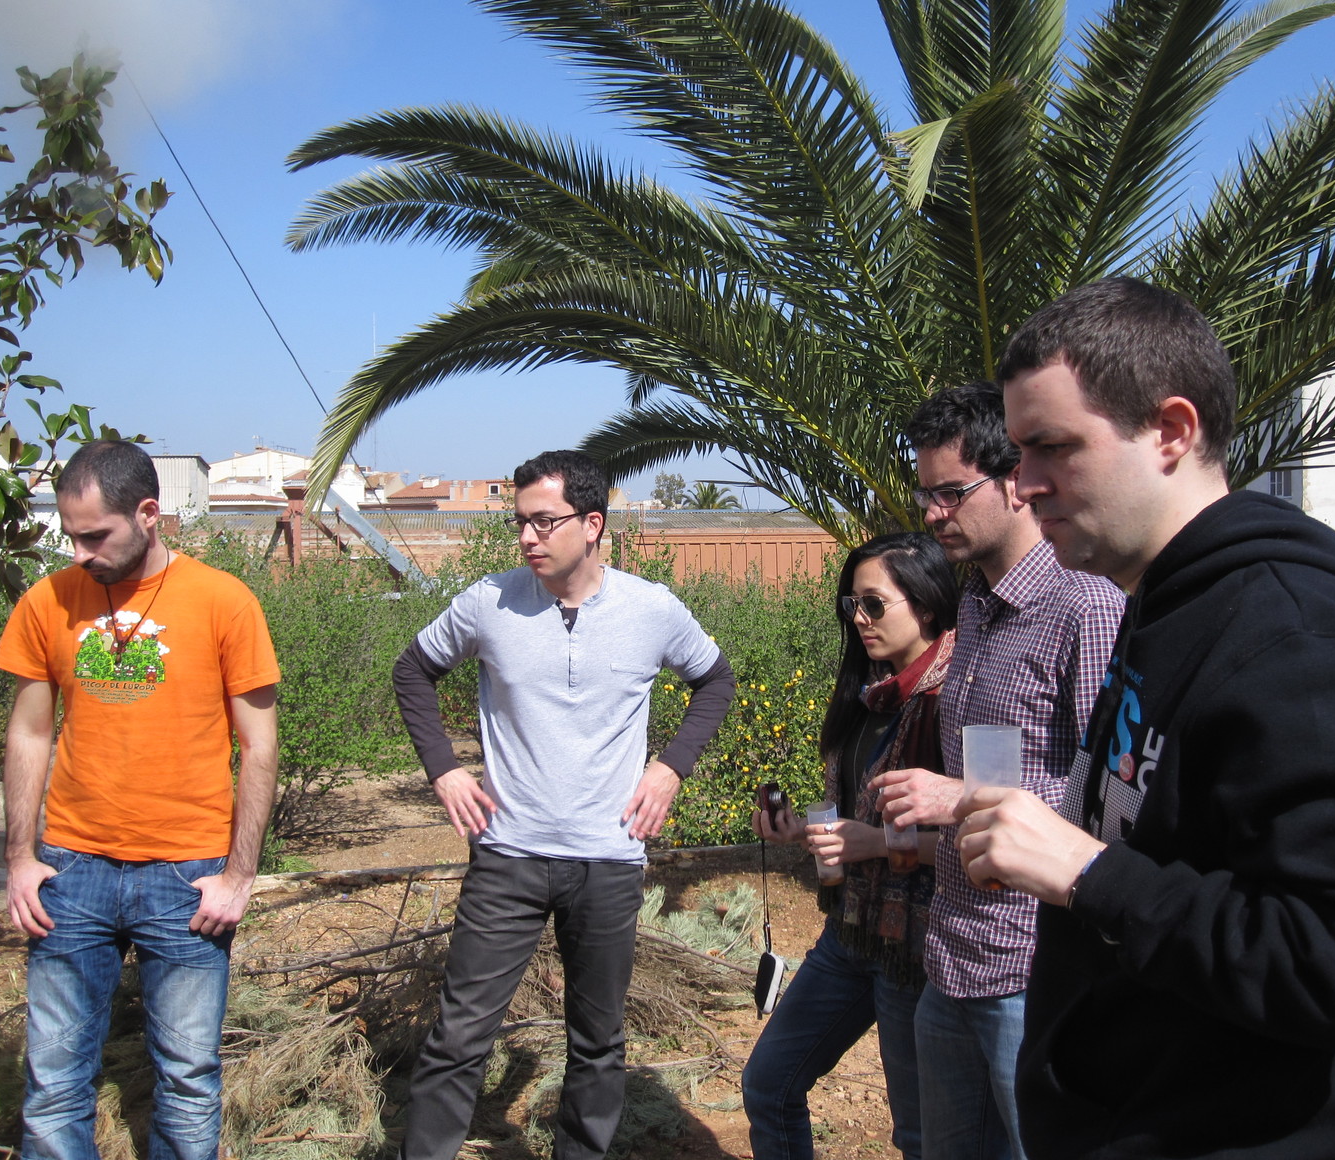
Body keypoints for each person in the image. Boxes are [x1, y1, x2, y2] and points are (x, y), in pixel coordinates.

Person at [956, 276, 1335, 1158]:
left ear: (1172, 432)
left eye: (1051, 447)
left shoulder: (1299, 639)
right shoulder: (1160, 599)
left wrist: (1090, 875)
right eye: (1019, 454)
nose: (1022, 485)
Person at [390, 449, 735, 1160]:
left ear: (593, 524)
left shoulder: (651, 609)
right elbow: (413, 671)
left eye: (543, 522)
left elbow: (716, 681)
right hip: (507, 855)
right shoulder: (488, 603)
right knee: (460, 1036)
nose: (527, 537)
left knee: (598, 1041)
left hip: (608, 857)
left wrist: (670, 767)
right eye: (520, 522)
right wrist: (445, 772)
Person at [0, 440, 280, 1160]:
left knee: (187, 1080)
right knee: (54, 1081)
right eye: (71, 536)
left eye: (96, 535)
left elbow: (259, 746)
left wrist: (240, 874)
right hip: (70, 872)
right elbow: (29, 733)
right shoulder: (48, 600)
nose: (80, 553)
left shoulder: (223, 601)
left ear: (149, 514)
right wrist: (20, 858)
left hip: (186, 877)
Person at [871, 383, 1123, 1160]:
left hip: (1033, 968)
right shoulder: (975, 602)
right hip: (951, 959)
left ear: (1015, 481)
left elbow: (1110, 794)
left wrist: (961, 798)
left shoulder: (1086, 606)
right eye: (926, 495)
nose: (932, 514)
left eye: (950, 493)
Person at [742, 533, 958, 1160]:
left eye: (874, 604)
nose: (859, 618)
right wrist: (800, 832)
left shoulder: (954, 696)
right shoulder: (869, 696)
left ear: (926, 604)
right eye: (851, 605)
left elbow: (979, 837)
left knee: (918, 1134)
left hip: (916, 950)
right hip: (851, 932)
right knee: (768, 1084)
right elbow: (854, 820)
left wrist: (876, 843)